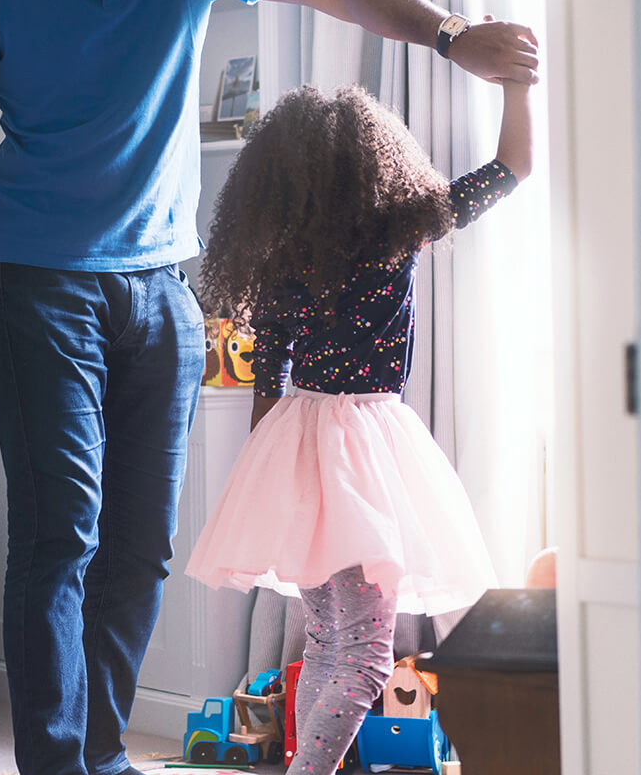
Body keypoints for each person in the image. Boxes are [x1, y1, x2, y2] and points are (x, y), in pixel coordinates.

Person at [0, 0, 539, 775]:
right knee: (62, 538)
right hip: (37, 280)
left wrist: (449, 36)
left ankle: (101, 758)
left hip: (159, 289)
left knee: (141, 549)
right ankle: (58, 768)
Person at [183, 80, 536, 774]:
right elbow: (512, 170)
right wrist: (517, 88)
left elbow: (269, 375)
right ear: (379, 158)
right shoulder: (402, 225)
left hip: (295, 438)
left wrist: (268, 474)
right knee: (368, 655)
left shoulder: (284, 254)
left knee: (325, 641)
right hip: (362, 442)